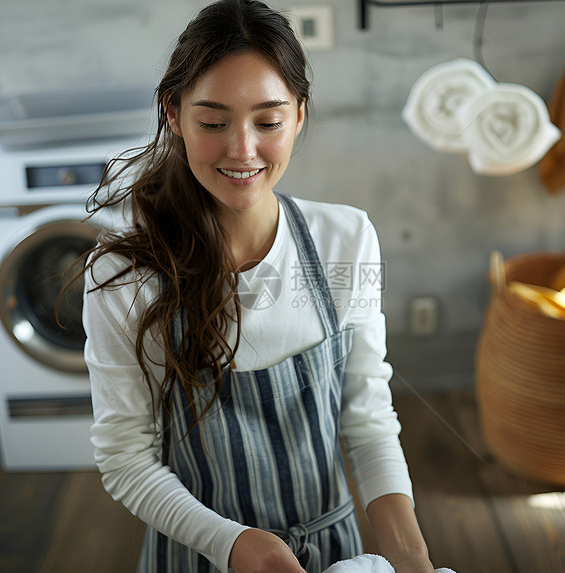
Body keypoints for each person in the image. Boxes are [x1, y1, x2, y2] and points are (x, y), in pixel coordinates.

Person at [81, 1, 436, 571]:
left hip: (332, 546)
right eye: (214, 123)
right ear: (173, 114)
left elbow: (366, 419)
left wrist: (411, 556)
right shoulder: (121, 276)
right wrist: (235, 544)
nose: (242, 151)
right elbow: (126, 460)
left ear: (299, 115)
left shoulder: (346, 239)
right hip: (198, 555)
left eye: (267, 122)